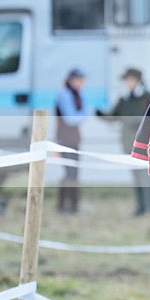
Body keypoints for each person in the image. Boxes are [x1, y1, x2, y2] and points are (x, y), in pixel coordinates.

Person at [97, 68, 150, 216]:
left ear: (137, 80)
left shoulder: (148, 97)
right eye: (126, 81)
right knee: (137, 178)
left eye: (130, 80)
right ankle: (141, 207)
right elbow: (113, 116)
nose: (128, 83)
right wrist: (100, 114)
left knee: (147, 178)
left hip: (146, 145)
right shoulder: (124, 100)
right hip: (129, 144)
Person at [55, 68, 88, 214]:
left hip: (72, 138)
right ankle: (67, 205)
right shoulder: (65, 95)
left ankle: (69, 205)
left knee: (72, 172)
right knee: (70, 172)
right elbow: (71, 118)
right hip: (65, 138)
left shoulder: (75, 94)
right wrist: (83, 115)